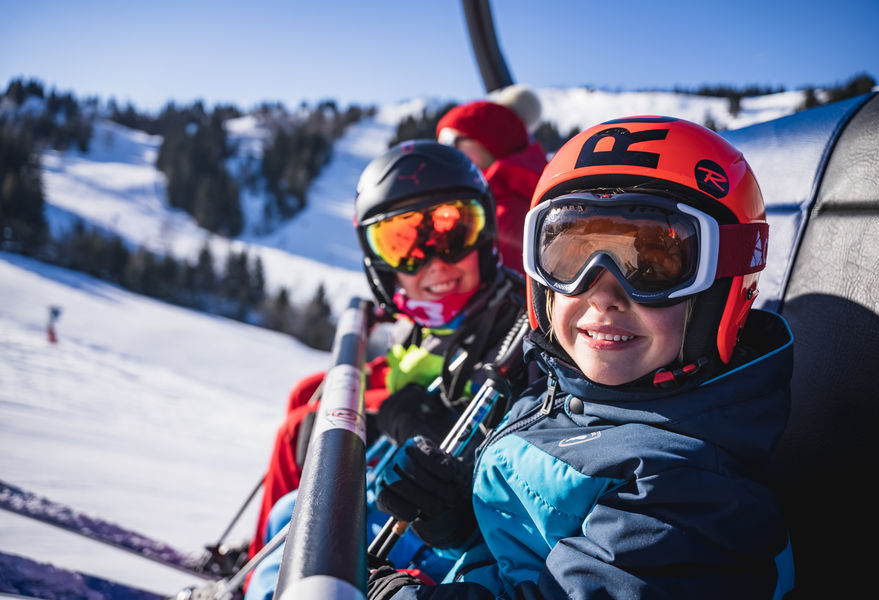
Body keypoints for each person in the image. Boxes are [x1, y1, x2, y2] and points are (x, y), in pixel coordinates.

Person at [368, 116, 795, 599]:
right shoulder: (564, 394)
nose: (603, 294)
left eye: (651, 266)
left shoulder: (691, 494)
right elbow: (541, 544)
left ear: (723, 288)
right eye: (572, 258)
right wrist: (459, 519)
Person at [243, 139, 528, 598]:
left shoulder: (514, 330)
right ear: (379, 262)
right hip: (414, 487)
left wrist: (410, 420)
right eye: (402, 242)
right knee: (289, 508)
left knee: (297, 508)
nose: (435, 261)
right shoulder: (420, 320)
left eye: (453, 232)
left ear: (486, 232)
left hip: (450, 525)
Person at [436, 87, 548, 275]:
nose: (444, 153)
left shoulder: (506, 213)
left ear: (488, 142)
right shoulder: (485, 199)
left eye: (450, 141)